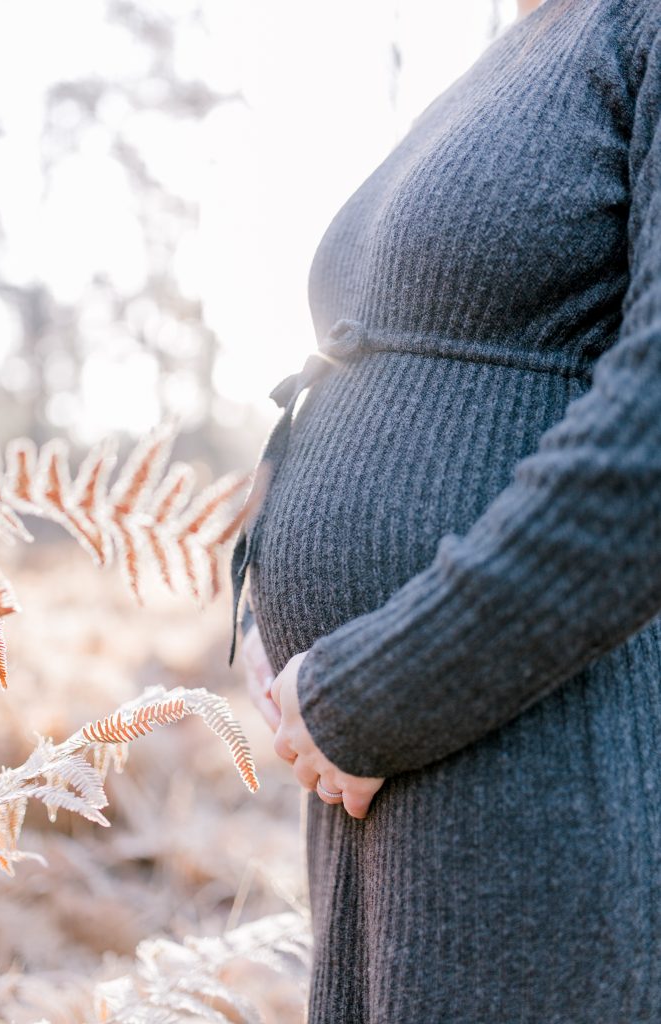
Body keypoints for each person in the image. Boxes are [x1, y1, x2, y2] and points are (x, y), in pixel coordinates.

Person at [232, 0, 661, 1020]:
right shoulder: (510, 55)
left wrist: (382, 687)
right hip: (373, 769)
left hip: (534, 741)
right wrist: (260, 597)